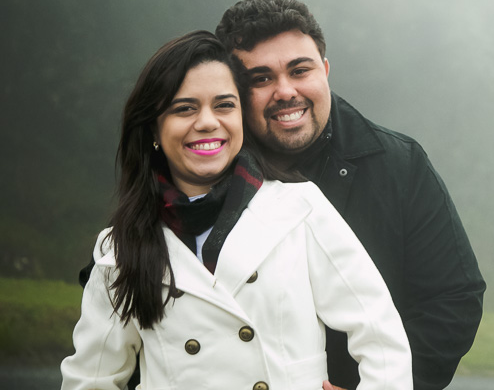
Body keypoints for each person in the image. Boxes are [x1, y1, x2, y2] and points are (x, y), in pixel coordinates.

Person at [62, 31, 412, 390]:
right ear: (154, 127)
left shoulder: (300, 208)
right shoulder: (118, 248)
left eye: (224, 105)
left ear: (242, 117)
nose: (208, 122)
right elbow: (89, 379)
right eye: (185, 108)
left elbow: (381, 335)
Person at [216, 0, 485, 390]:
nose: (285, 91)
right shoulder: (207, 172)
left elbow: (453, 299)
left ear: (325, 70)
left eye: (299, 70)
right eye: (261, 79)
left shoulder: (400, 164)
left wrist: (382, 384)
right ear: (235, 92)